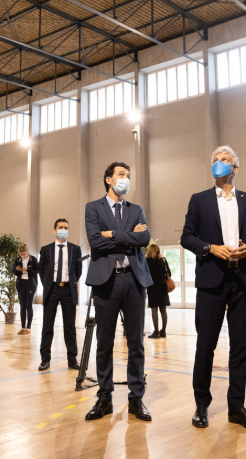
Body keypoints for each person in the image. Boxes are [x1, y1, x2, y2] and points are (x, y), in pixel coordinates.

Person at [180, 146, 246, 430]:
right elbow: (186, 237)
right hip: (212, 280)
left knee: (241, 347)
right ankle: (202, 405)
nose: (219, 163)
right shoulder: (199, 200)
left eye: (225, 160)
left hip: (243, 278)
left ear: (236, 168)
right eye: (215, 160)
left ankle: (237, 406)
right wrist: (210, 248)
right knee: (205, 344)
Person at [84, 162, 153, 422]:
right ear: (109, 180)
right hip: (106, 282)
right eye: (122, 175)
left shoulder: (136, 209)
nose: (127, 179)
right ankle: (104, 398)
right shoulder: (93, 207)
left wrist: (113, 233)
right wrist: (127, 237)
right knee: (104, 343)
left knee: (136, 343)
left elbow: (145, 239)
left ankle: (136, 398)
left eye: (129, 176)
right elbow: (94, 241)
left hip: (134, 282)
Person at [37, 220, 81, 371]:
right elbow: (42, 271)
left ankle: (72, 359)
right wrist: (49, 285)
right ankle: (45, 359)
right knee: (47, 326)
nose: (63, 230)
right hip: (52, 290)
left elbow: (78, 271)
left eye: (66, 228)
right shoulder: (45, 249)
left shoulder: (75, 249)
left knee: (70, 327)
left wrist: (70, 283)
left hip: (69, 290)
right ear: (54, 230)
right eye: (60, 228)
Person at [145, 243, 171, 339]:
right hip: (162, 286)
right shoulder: (163, 260)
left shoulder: (146, 261)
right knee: (163, 309)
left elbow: (145, 274)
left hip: (152, 286)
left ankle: (156, 332)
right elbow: (169, 273)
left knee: (154, 309)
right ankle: (163, 331)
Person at [13, 244, 39, 335]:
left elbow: (37, 271)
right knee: (22, 306)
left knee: (29, 305)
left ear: (27, 252)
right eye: (20, 254)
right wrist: (17, 270)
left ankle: (28, 327)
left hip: (30, 284)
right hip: (21, 284)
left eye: (23, 254)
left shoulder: (33, 259)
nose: (22, 255)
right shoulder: (18, 260)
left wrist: (27, 269)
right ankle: (22, 327)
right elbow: (14, 271)